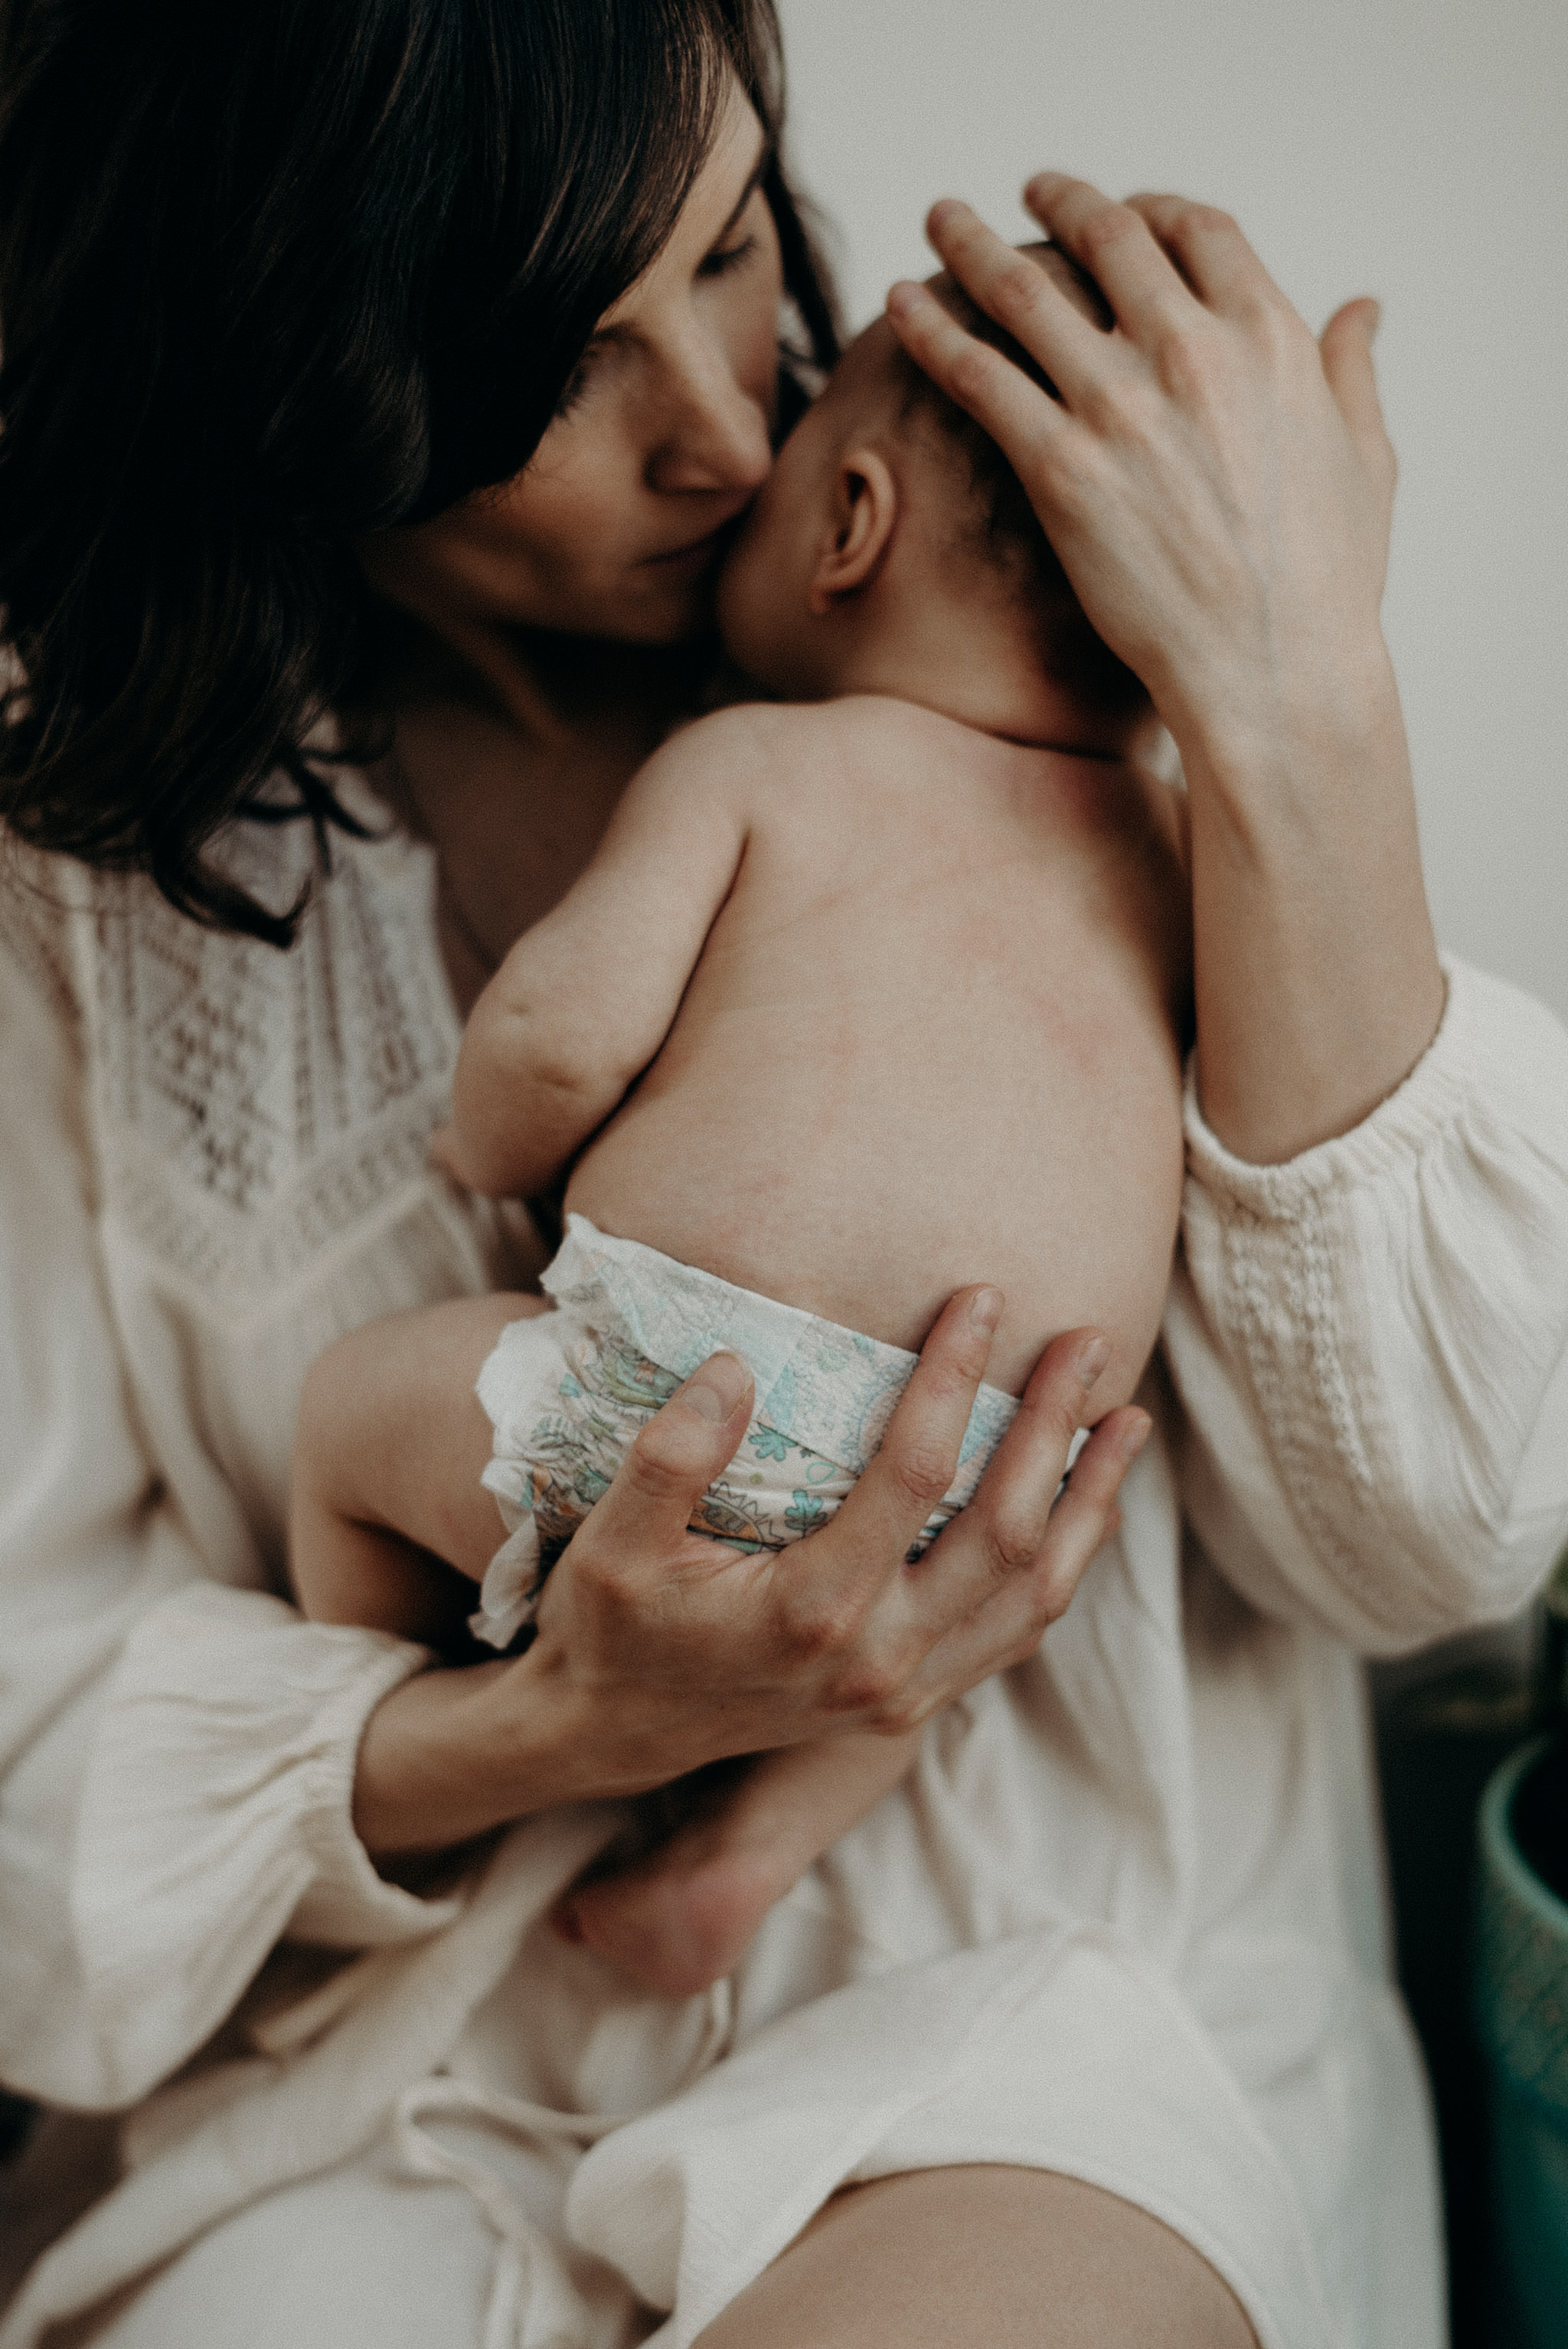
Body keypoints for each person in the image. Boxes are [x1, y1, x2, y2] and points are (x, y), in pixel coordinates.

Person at [1, 2, 1565, 2346]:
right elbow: (31, 1719)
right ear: (278, 378)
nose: (725, 431)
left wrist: (1294, 698)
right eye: (546, 361)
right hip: (376, 2130)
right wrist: (541, 1734)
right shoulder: (79, 893)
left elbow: (1444, 1535)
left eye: (734, 248)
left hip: (1058, 2054)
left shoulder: (1143, 778)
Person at [288, 247, 1186, 2000]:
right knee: (925, 1636)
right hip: (1001, 1483)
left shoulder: (761, 760)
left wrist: (500, 1154)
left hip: (675, 1408)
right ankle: (746, 1857)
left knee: (343, 1416)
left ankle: (422, 1702)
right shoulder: (1173, 862)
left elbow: (554, 1032)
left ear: (846, 526)